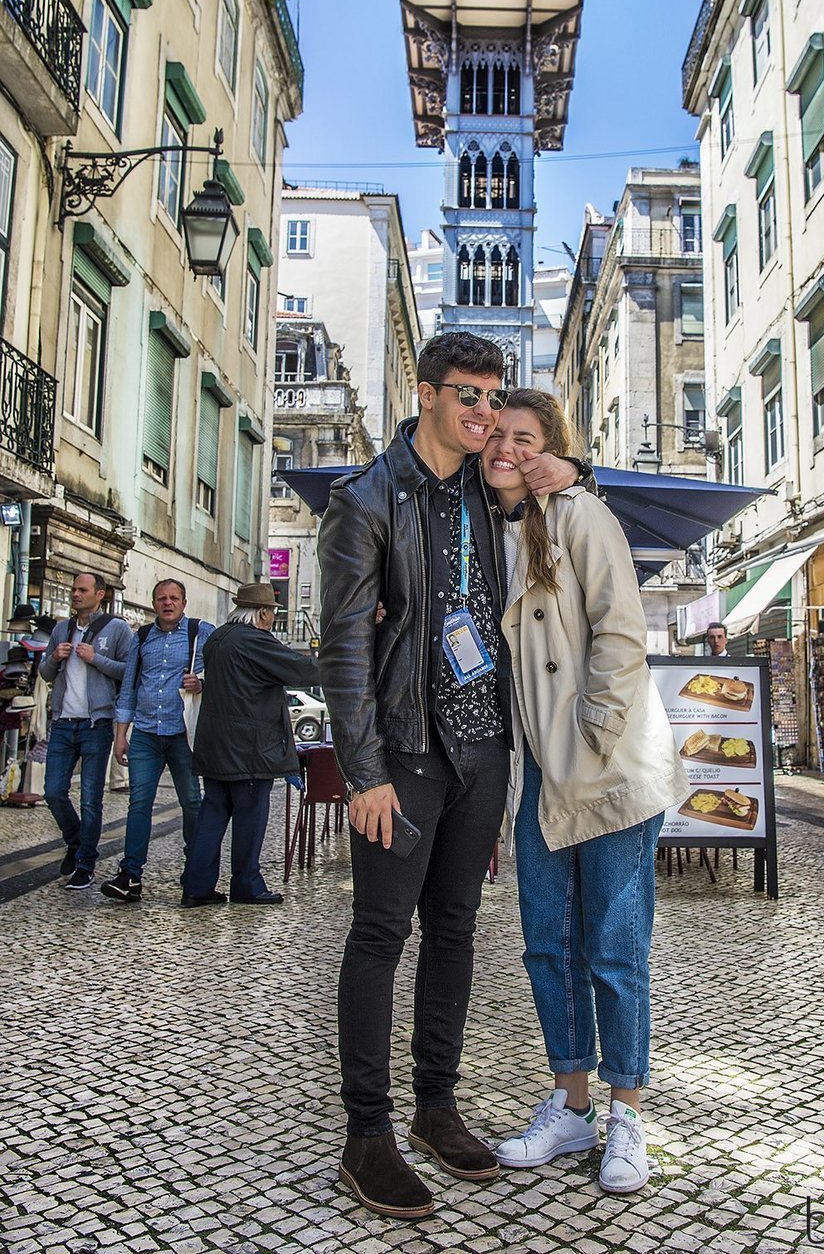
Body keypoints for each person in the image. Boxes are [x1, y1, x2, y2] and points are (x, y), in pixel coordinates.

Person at [318, 332, 586, 1221]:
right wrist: (362, 773)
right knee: (379, 935)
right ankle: (368, 1133)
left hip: (482, 751)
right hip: (403, 754)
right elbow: (346, 646)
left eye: (493, 397)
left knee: (457, 932)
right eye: (468, 396)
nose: (484, 415)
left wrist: (571, 473)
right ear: (426, 393)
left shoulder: (490, 486)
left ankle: (437, 1106)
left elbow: (567, 499)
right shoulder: (365, 500)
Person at [480, 390, 688, 1195]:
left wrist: (593, 735)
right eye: (496, 435)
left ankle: (626, 1112)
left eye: (524, 438)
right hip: (536, 771)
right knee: (545, 945)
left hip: (604, 767)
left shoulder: (580, 516)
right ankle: (571, 1104)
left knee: (613, 946)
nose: (507, 449)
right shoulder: (486, 532)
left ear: (552, 449)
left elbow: (621, 630)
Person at [181, 582, 319, 908]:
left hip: (215, 745)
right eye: (271, 612)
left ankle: (197, 887)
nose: (272, 618)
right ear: (262, 613)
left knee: (212, 816)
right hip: (250, 749)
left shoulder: (218, 638)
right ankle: (246, 883)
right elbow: (302, 670)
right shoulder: (255, 642)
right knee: (250, 818)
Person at [102, 579, 214, 903]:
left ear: (184, 601)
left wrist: (202, 681)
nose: (168, 603)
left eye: (174, 598)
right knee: (139, 804)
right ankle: (130, 875)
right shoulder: (142, 636)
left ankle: (194, 872)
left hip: (183, 734)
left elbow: (222, 669)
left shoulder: (199, 632)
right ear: (154, 604)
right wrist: (121, 736)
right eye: (162, 598)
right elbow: (129, 688)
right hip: (146, 734)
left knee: (192, 803)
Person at [38, 573, 134, 888]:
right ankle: (76, 839)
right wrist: (54, 657)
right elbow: (45, 673)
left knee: (91, 798)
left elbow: (130, 672)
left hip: (98, 723)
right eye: (73, 589)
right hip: (63, 721)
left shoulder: (116, 628)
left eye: (83, 590)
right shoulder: (62, 629)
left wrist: (97, 659)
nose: (76, 594)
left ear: (100, 594)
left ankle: (85, 863)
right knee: (52, 792)